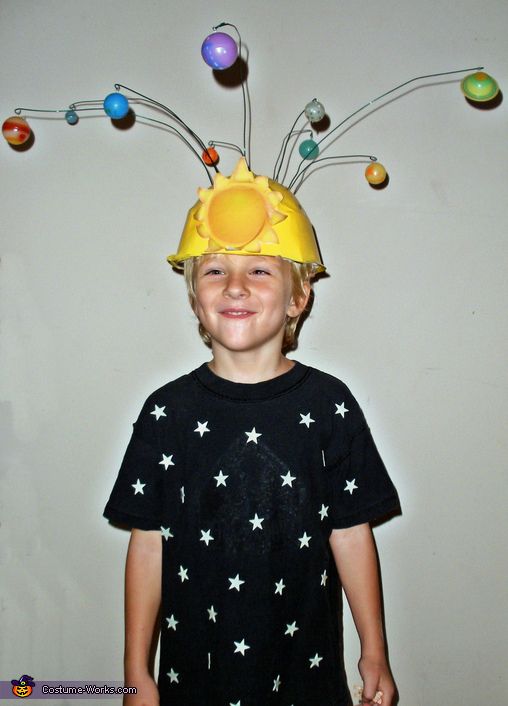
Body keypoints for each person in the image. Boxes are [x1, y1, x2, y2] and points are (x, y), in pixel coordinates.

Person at [104, 158, 400, 706]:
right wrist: (135, 672)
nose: (235, 285)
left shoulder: (330, 404)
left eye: (260, 270)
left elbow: (352, 532)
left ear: (297, 297)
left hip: (303, 670)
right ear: (195, 298)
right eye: (215, 271)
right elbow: (148, 544)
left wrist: (373, 651)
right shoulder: (164, 411)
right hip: (195, 672)